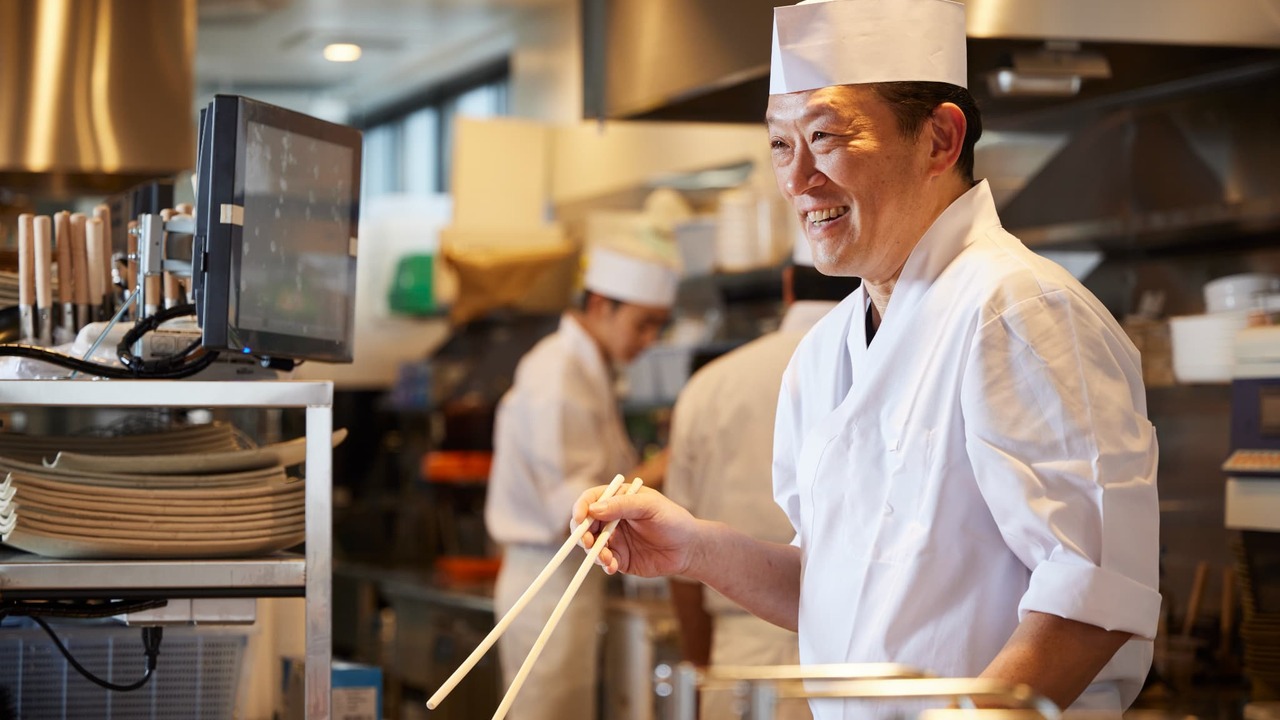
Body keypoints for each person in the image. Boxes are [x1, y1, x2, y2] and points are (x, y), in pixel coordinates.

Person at [573, 1, 1161, 718]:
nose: (797, 180)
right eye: (780, 146)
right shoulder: (825, 353)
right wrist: (693, 547)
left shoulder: (1017, 308)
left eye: (824, 136)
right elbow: (836, 595)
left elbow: (1091, 595)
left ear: (940, 138)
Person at [485, 234, 678, 720]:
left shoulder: (587, 370)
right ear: (599, 305)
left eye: (658, 327)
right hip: (546, 581)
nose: (649, 340)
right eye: (643, 324)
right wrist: (664, 466)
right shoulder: (558, 373)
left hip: (566, 582)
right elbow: (576, 509)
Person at [665, 242, 859, 720]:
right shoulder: (878, 371)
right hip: (854, 658)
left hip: (739, 656)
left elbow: (680, 559)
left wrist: (699, 665)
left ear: (788, 286)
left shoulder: (709, 385)